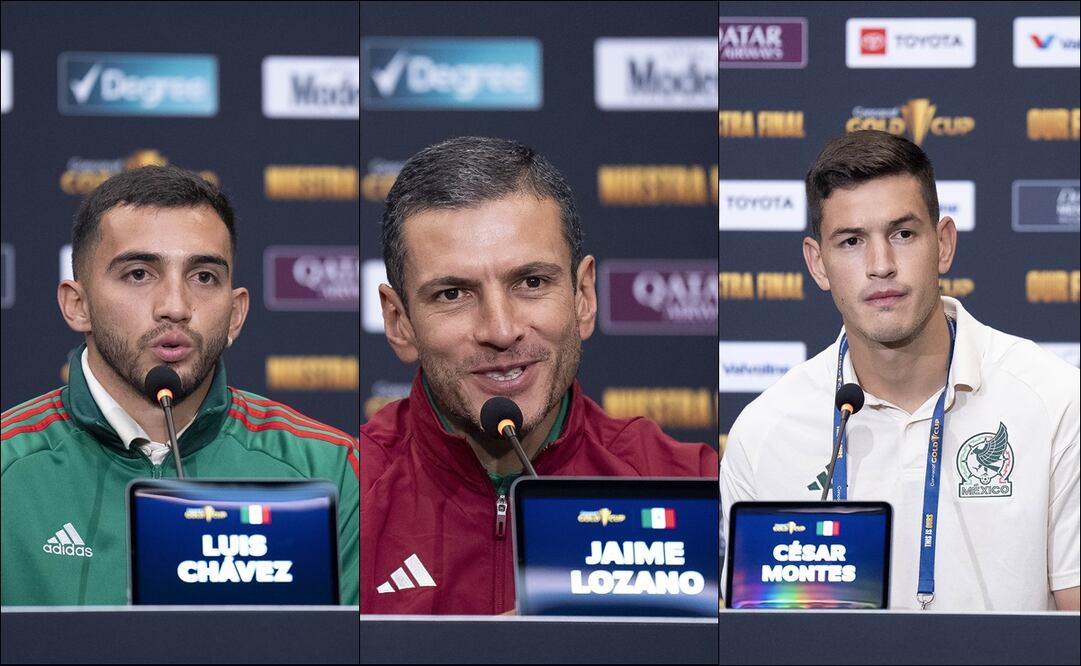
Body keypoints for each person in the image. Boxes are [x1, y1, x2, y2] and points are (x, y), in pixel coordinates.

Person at [720, 130, 1079, 611]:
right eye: (850, 241)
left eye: (903, 234)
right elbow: (757, 634)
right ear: (818, 264)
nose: (881, 265)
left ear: (944, 244)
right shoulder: (764, 434)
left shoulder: (1056, 402)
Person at [361, 136, 718, 614]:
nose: (501, 330)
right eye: (452, 294)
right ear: (399, 321)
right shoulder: (349, 492)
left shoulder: (689, 485)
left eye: (531, 282)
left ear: (584, 296)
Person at [0, 165, 359, 605]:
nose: (175, 306)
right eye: (138, 274)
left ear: (236, 315)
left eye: (203, 276)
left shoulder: (331, 469)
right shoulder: (8, 467)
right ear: (78, 306)